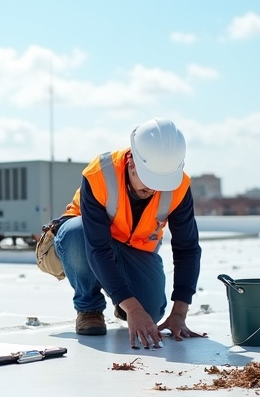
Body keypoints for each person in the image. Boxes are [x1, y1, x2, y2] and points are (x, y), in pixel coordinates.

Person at [53, 117, 205, 348]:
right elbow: (98, 249)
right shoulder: (99, 174)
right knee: (76, 233)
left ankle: (121, 300)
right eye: (148, 180)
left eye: (160, 183)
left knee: (151, 312)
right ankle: (89, 308)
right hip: (88, 239)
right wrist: (133, 309)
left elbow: (187, 249)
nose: (153, 189)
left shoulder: (180, 186)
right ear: (132, 162)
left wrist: (179, 313)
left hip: (136, 249)